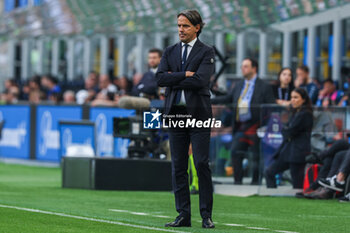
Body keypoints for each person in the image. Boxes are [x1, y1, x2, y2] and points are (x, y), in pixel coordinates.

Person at [156, 9, 215, 228]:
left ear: (197, 27)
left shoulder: (207, 51)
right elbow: (160, 78)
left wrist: (174, 78)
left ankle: (206, 214)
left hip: (199, 115)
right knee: (178, 165)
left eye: (185, 26)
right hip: (175, 114)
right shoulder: (170, 51)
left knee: (201, 163)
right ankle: (183, 215)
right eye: (179, 26)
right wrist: (184, 75)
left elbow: (200, 81)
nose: (181, 30)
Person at [211, 58, 275, 185]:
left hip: (256, 126)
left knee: (256, 156)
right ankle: (237, 181)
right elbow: (229, 98)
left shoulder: (264, 86)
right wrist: (210, 100)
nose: (242, 69)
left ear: (254, 68)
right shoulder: (239, 84)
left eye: (246, 66)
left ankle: (255, 182)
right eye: (242, 66)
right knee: (235, 152)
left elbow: (270, 106)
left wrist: (265, 126)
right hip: (241, 125)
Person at [265, 88, 313, 189]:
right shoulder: (295, 113)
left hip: (298, 152)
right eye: (291, 97)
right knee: (269, 172)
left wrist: (285, 130)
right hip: (288, 151)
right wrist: (286, 130)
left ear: (303, 99)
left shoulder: (305, 114)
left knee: (297, 184)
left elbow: (290, 132)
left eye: (296, 97)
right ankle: (271, 196)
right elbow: (288, 131)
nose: (293, 100)